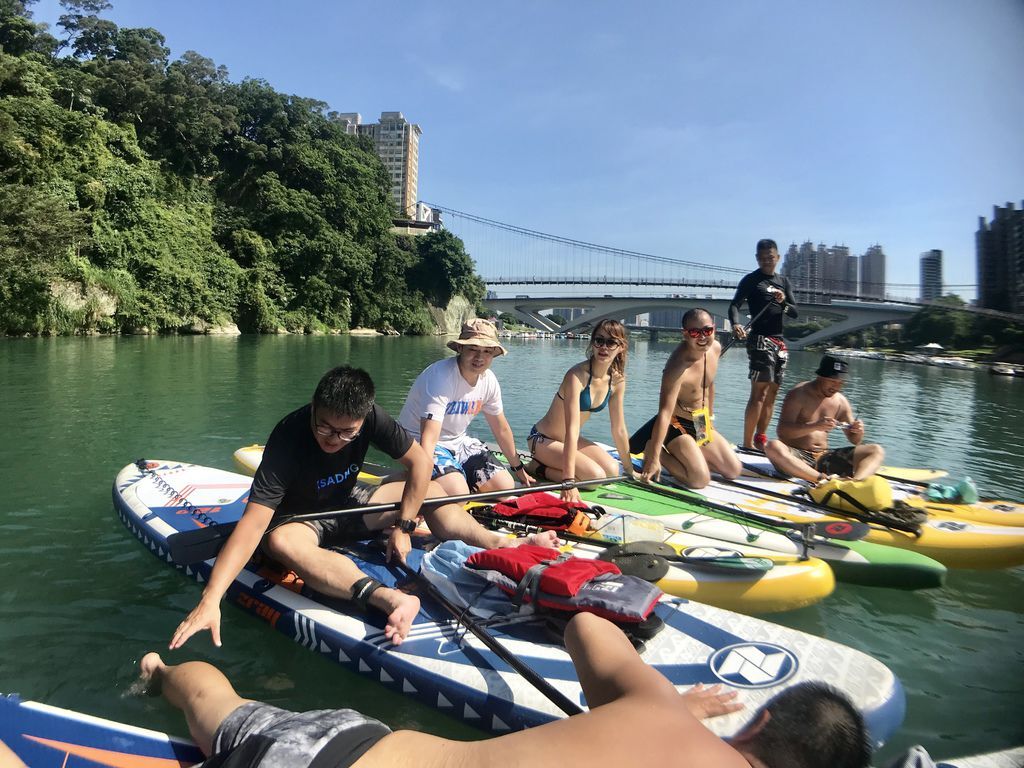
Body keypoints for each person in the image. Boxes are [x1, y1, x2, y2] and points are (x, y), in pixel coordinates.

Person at [139, 612, 871, 768]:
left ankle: (160, 672)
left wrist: (652, 707)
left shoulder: (660, 713)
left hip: (355, 752)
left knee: (221, 710)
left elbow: (588, 626)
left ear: (757, 724)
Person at [171, 365, 554, 652]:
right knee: (280, 542)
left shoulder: (372, 417)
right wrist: (211, 599)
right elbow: (254, 524)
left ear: (363, 417)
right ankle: (392, 599)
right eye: (324, 427)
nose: (333, 440)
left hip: (349, 505)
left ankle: (501, 544)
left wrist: (404, 526)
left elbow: (421, 463)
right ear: (314, 409)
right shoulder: (289, 437)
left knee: (433, 488)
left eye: (346, 433)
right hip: (302, 520)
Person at [397, 318, 534, 496]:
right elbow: (429, 437)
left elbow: (501, 429)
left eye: (487, 351)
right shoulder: (441, 377)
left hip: (459, 442)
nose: (479, 357)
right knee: (457, 493)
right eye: (473, 349)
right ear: (460, 349)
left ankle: (453, 477)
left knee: (504, 487)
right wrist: (420, 482)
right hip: (417, 441)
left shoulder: (489, 380)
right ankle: (401, 481)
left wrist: (518, 469)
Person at [629, 308, 743, 489]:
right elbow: (664, 413)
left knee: (733, 470)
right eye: (695, 332)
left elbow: (708, 384)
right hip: (676, 424)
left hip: (700, 421)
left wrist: (710, 418)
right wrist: (654, 458)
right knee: (699, 480)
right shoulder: (677, 368)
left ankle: (692, 454)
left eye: (707, 330)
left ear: (714, 329)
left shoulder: (715, 348)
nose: (702, 337)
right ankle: (653, 450)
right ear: (685, 334)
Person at [526, 319, 636, 502]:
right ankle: (537, 468)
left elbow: (619, 429)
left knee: (612, 470)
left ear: (621, 347)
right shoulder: (576, 375)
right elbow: (572, 429)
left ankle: (550, 466)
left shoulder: (617, 381)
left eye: (611, 342)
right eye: (599, 340)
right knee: (594, 478)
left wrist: (630, 470)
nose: (604, 347)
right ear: (592, 343)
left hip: (570, 440)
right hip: (543, 440)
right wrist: (568, 480)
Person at [764, 354, 885, 483]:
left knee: (876, 450)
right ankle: (823, 480)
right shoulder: (798, 394)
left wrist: (858, 431)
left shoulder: (840, 401)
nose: (836, 387)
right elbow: (783, 432)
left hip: (824, 458)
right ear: (820, 376)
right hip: (796, 457)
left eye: (841, 383)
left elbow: (855, 440)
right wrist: (814, 426)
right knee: (772, 446)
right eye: (832, 381)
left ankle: (855, 483)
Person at [728, 238, 799, 450]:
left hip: (779, 342)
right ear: (757, 258)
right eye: (762, 258)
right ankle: (747, 443)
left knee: (772, 393)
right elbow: (734, 305)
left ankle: (760, 440)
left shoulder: (784, 282)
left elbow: (794, 312)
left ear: (778, 258)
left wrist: (782, 302)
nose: (766, 261)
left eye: (770, 257)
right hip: (760, 339)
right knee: (759, 393)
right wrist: (735, 324)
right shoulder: (751, 280)